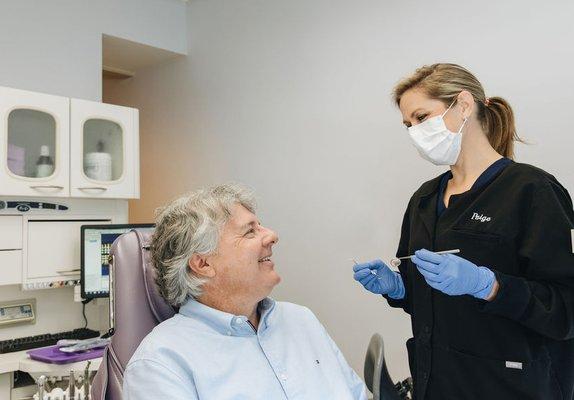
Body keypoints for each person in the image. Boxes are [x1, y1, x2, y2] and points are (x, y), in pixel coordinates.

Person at [352, 63, 574, 399]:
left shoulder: (532, 190)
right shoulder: (425, 200)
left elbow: (566, 309)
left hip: (512, 387)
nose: (414, 131)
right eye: (407, 124)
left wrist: (490, 286)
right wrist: (401, 289)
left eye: (421, 117)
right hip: (439, 383)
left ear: (464, 105)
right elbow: (434, 304)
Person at [123, 183, 367, 400]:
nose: (272, 236)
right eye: (250, 231)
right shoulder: (161, 363)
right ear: (203, 264)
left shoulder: (302, 319)